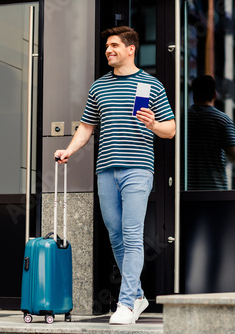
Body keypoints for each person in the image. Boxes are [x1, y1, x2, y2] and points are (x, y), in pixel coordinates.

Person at [54, 26, 175, 325]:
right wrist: (69, 150)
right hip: (106, 171)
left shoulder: (151, 85)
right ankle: (137, 296)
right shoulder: (99, 88)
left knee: (132, 235)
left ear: (131, 49)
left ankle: (125, 304)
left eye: (114, 45)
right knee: (116, 236)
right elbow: (86, 128)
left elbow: (170, 130)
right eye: (107, 46)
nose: (108, 50)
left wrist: (152, 124)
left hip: (137, 169)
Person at [186, 75, 235, 190]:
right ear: (214, 95)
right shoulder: (222, 120)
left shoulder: (181, 119)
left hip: (185, 189)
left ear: (193, 95)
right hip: (213, 189)